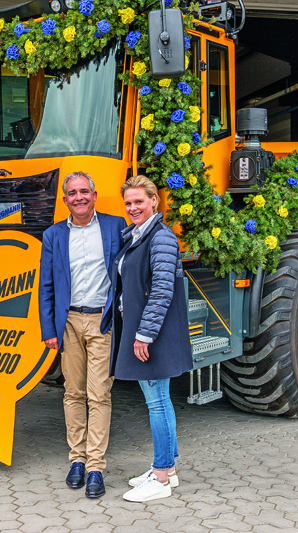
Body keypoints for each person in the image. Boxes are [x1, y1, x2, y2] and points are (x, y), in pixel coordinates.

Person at [39, 171, 126, 498]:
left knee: (99, 394)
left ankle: (94, 467)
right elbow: (46, 285)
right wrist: (49, 329)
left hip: (102, 322)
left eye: (84, 192)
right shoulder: (53, 235)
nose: (79, 197)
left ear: (94, 194)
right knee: (73, 393)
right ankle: (76, 460)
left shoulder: (115, 226)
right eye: (72, 193)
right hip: (70, 322)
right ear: (65, 200)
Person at [109, 175, 193, 502]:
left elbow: (161, 290)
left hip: (151, 333)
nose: (133, 208)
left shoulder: (161, 238)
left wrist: (144, 335)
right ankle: (168, 470)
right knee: (161, 400)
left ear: (154, 201)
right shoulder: (138, 235)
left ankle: (159, 478)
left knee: (156, 402)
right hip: (142, 327)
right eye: (128, 203)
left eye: (139, 202)